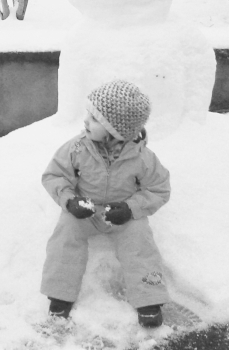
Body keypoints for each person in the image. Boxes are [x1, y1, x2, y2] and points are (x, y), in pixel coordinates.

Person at [40, 80, 171, 328]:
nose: (86, 121)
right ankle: (60, 294)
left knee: (140, 243)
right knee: (65, 236)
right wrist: (70, 201)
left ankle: (149, 299)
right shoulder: (76, 148)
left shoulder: (141, 157)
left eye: (94, 118)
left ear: (115, 129)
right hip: (84, 210)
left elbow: (159, 188)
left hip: (122, 213)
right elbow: (54, 175)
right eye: (88, 115)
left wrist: (131, 208)